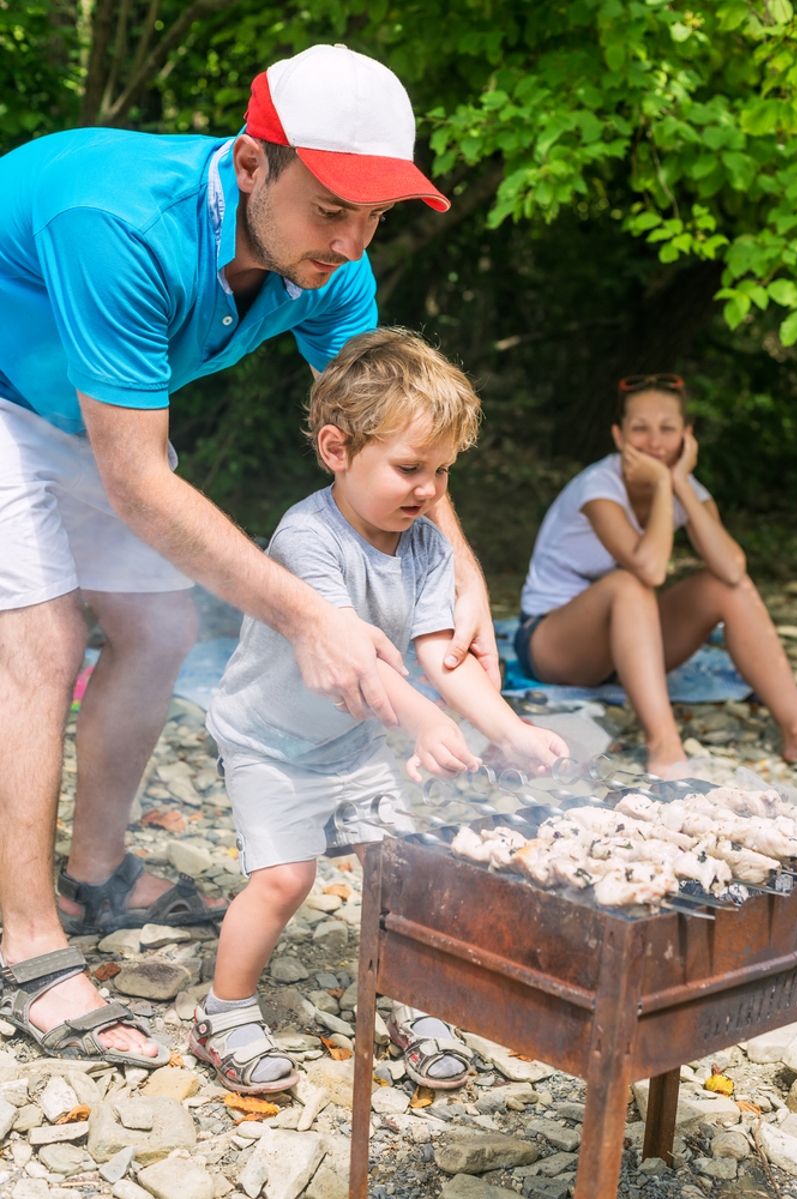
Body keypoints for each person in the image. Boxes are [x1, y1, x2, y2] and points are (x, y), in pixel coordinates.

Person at [0, 45, 499, 1066]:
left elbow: (395, 421)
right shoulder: (121, 226)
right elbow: (139, 480)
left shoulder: (332, 263)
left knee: (161, 623)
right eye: (330, 209)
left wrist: (458, 568)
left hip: (81, 408)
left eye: (373, 216)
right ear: (249, 165)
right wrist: (309, 613)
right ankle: (30, 949)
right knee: (42, 641)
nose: (353, 241)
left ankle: (94, 877)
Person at [192, 328, 568, 1093]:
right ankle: (222, 1013)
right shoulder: (308, 539)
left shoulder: (427, 544)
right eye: (408, 468)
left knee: (402, 868)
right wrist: (427, 723)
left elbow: (440, 656)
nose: (428, 489)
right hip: (270, 740)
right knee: (284, 879)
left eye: (441, 471)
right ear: (336, 448)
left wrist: (508, 728)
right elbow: (357, 661)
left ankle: (410, 996)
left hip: (354, 738)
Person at [516, 373, 797, 779]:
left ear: (687, 436)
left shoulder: (687, 488)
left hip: (632, 647)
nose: (654, 442)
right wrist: (666, 482)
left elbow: (733, 570)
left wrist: (678, 483)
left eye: (667, 429)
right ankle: (664, 746)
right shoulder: (599, 486)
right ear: (618, 436)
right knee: (631, 583)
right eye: (640, 429)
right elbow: (648, 569)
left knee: (725, 587)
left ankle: (795, 729)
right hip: (555, 644)